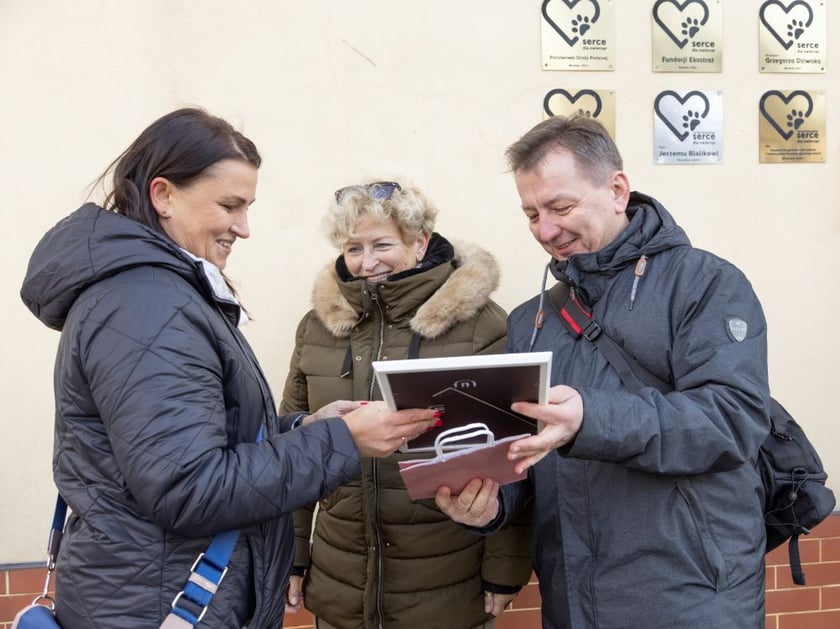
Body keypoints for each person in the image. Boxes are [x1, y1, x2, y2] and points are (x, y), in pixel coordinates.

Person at [19, 108, 438, 629]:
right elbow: (190, 487)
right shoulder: (146, 305)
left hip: (151, 592)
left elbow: (196, 447)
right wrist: (341, 442)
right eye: (229, 205)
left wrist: (307, 429)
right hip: (163, 603)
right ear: (163, 195)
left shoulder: (153, 292)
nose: (244, 227)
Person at [435, 115, 772, 628]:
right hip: (572, 598)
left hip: (691, 599)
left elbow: (733, 420)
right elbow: (524, 451)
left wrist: (589, 419)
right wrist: (490, 503)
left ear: (617, 190)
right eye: (531, 214)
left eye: (560, 207)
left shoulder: (706, 284)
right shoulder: (531, 319)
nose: (545, 230)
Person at [279, 179, 533, 629]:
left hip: (445, 587)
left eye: (381, 244)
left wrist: (504, 570)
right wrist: (294, 557)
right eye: (353, 247)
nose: (366, 262)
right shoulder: (317, 327)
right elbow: (296, 448)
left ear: (420, 243)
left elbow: (512, 457)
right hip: (341, 584)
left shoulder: (481, 325)